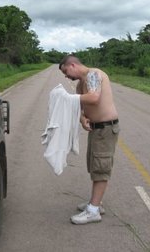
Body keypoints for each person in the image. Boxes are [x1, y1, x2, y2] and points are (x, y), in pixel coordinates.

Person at [59, 55, 120, 225]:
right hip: (96, 129)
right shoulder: (80, 84)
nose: (66, 76)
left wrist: (66, 98)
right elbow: (80, 106)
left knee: (101, 167)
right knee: (94, 165)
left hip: (106, 128)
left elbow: (94, 97)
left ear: (73, 65)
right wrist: (83, 118)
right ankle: (96, 203)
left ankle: (93, 211)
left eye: (66, 71)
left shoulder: (94, 74)